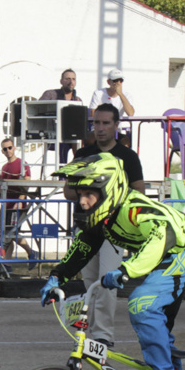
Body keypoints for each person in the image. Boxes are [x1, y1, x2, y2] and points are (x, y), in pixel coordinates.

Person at [40, 153, 185, 370]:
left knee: (142, 304)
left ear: (109, 189)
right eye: (80, 194)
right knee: (157, 322)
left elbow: (162, 235)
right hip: (163, 258)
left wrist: (127, 269)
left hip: (183, 250)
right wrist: (56, 278)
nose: (83, 202)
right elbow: (82, 249)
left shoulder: (133, 208)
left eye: (89, 194)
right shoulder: (102, 218)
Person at [68, 103, 144, 348]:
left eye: (105, 123)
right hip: (85, 228)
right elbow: (68, 191)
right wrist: (87, 186)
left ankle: (103, 335)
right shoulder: (82, 155)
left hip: (114, 230)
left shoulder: (128, 157)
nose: (100, 128)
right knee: (89, 282)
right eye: (96, 123)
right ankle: (87, 334)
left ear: (116, 125)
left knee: (107, 281)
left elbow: (139, 192)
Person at [0, 137, 39, 267]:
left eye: (10, 147)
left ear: (14, 148)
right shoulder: (5, 167)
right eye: (5, 149)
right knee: (6, 235)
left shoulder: (22, 164)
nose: (8, 150)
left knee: (12, 233)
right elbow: (1, 187)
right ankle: (7, 264)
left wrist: (20, 200)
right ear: (2, 151)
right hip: (6, 204)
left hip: (16, 204)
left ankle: (31, 252)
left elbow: (26, 182)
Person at [40, 69, 82, 163]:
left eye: (73, 79)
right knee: (64, 142)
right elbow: (38, 110)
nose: (71, 82)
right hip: (53, 134)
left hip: (73, 135)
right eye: (67, 79)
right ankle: (63, 173)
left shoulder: (78, 100)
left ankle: (78, 165)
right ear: (61, 81)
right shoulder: (50, 94)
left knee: (84, 139)